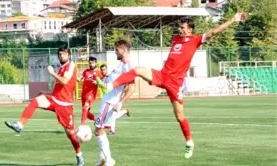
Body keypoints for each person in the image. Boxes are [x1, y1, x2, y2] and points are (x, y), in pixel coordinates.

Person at [97, 13, 247, 159]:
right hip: (162, 75)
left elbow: (214, 31)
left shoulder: (195, 40)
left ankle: (189, 142)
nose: (179, 29)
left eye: (182, 27)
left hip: (175, 83)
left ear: (190, 29)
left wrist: (233, 20)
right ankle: (110, 86)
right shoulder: (176, 39)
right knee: (136, 70)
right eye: (179, 27)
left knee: (179, 115)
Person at [4, 47, 85, 166]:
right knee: (36, 101)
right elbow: (61, 84)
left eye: (63, 54)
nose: (61, 56)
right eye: (59, 54)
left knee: (70, 134)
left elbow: (65, 81)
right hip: (55, 99)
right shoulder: (62, 67)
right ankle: (19, 125)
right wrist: (46, 91)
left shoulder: (71, 65)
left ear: (69, 55)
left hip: (65, 105)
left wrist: (52, 73)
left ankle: (79, 155)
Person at [94, 40, 136, 166]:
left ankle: (108, 160)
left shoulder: (128, 65)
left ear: (123, 50)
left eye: (116, 50)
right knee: (102, 129)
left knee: (98, 130)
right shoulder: (121, 64)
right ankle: (102, 158)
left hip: (110, 102)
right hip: (108, 100)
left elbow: (132, 87)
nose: (115, 52)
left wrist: (121, 102)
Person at [99, 63, 130, 135]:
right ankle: (124, 111)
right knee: (113, 114)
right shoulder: (103, 79)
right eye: (102, 70)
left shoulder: (111, 76)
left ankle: (109, 128)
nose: (103, 71)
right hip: (109, 98)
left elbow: (126, 86)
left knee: (112, 114)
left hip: (115, 99)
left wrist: (123, 94)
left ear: (107, 69)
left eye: (104, 69)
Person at [77, 56, 102, 125]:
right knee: (86, 112)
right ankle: (97, 120)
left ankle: (82, 126)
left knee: (85, 108)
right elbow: (81, 78)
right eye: (90, 63)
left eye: (92, 63)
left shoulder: (98, 72)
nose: (91, 64)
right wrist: (78, 78)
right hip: (84, 94)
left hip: (91, 94)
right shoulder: (86, 71)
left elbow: (102, 82)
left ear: (96, 63)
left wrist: (97, 82)